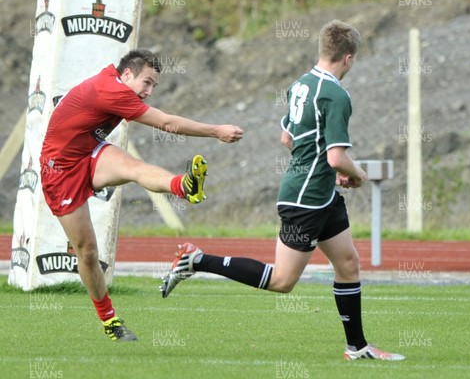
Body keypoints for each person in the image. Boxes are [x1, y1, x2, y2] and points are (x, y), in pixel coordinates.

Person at [160, 20, 405, 361]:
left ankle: (357, 347)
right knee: (282, 281)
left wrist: (325, 174)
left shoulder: (299, 85)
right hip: (305, 201)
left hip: (321, 195)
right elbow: (336, 156)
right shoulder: (336, 93)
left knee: (348, 263)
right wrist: (358, 175)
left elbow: (288, 139)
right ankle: (197, 260)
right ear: (348, 58)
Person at [40, 48, 243, 341]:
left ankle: (184, 186)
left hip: (88, 152)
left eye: (153, 86)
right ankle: (109, 320)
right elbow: (167, 123)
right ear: (126, 74)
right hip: (59, 170)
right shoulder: (112, 90)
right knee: (87, 253)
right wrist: (216, 131)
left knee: (135, 167)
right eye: (146, 82)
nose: (148, 91)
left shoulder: (113, 80)